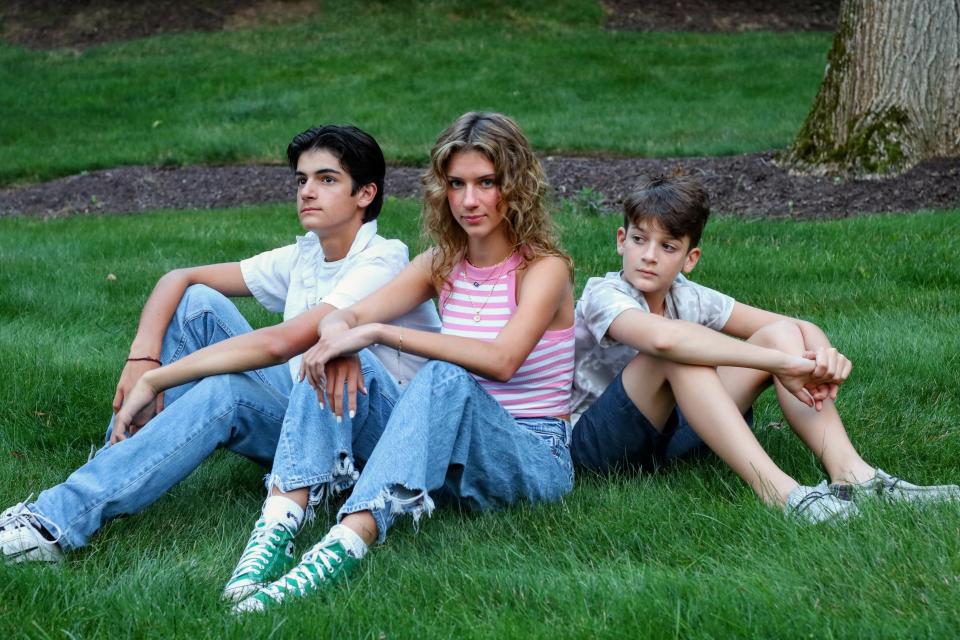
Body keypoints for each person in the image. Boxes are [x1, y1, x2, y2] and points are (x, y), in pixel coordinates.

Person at [114, 110, 576, 613]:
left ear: (516, 185)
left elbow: (502, 361)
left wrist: (374, 332)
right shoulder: (441, 263)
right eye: (457, 183)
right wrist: (343, 338)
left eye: (486, 183)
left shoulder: (545, 268)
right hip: (446, 447)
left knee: (445, 374)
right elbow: (346, 315)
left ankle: (342, 545)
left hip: (530, 455)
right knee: (330, 353)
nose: (468, 200)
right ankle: (277, 527)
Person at [0, 124, 440, 563]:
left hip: (374, 442)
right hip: (313, 404)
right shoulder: (308, 253)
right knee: (197, 304)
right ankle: (112, 463)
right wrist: (143, 355)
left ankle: (56, 523)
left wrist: (157, 379)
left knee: (226, 392)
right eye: (301, 180)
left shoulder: (384, 259)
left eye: (327, 180)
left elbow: (280, 344)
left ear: (365, 194)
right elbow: (180, 278)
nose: (307, 191)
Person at [570, 174, 959, 524]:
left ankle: (854, 475)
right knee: (677, 350)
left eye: (667, 246)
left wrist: (819, 357)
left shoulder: (686, 296)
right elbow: (663, 340)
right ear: (622, 242)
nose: (650, 255)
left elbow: (796, 327)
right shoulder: (603, 293)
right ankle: (782, 494)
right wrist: (781, 364)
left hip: (666, 439)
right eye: (639, 239)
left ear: (691, 259)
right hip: (598, 447)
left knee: (781, 333)